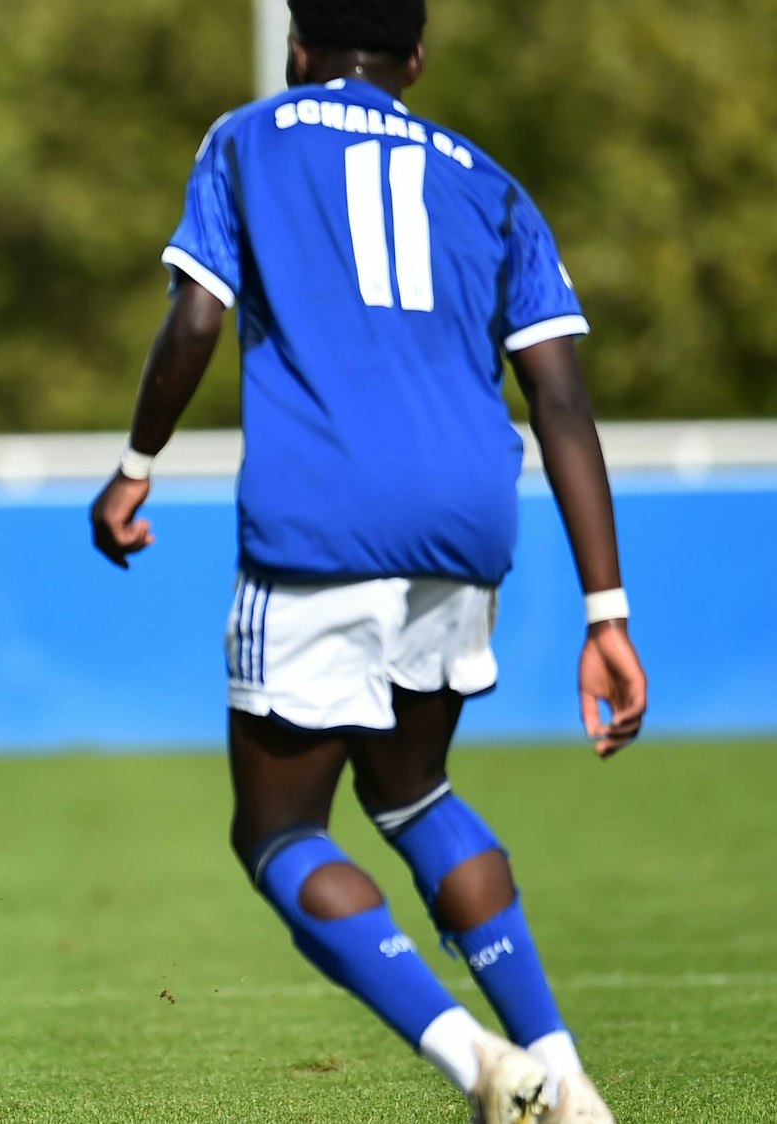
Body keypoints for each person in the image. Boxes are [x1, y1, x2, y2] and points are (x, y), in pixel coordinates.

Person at [89, 3, 643, 1122]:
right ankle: (565, 1074)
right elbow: (563, 399)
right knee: (414, 790)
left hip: (324, 515)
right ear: (416, 61)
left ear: (300, 49)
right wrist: (607, 610)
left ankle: (482, 1064)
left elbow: (198, 317)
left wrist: (137, 461)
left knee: (282, 829)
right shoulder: (490, 180)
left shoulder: (248, 135)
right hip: (467, 518)